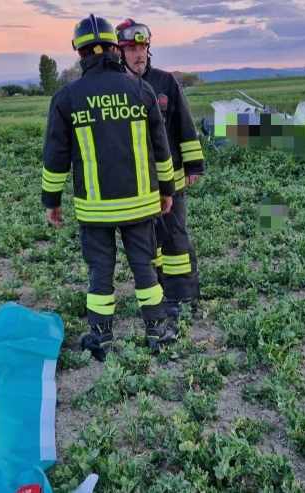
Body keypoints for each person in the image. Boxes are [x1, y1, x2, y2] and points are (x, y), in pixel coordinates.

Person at [42, 14, 177, 361]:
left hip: (94, 209)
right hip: (141, 205)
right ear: (116, 49)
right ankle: (158, 332)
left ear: (80, 52)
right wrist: (167, 191)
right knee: (145, 266)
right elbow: (161, 148)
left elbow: (56, 157)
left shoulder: (67, 97)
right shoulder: (141, 89)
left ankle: (100, 337)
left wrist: (51, 201)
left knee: (99, 272)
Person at [116, 19, 204, 318]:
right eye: (131, 49)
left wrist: (194, 164)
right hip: (138, 183)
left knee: (175, 236)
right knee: (147, 241)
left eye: (142, 47)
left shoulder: (166, 82)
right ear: (120, 52)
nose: (138, 54)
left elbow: (184, 125)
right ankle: (158, 292)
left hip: (172, 177)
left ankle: (183, 294)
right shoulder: (115, 88)